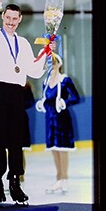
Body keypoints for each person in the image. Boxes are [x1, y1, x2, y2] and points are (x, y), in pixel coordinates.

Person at [0, 0, 48, 205]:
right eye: (7, 17)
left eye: (14, 19)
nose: (10, 21)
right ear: (3, 17)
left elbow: (35, 70)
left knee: (16, 138)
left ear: (19, 20)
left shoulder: (24, 43)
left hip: (16, 92)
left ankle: (15, 182)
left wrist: (46, 53)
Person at [36, 52, 80, 194]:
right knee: (54, 149)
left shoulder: (65, 80)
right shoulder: (45, 82)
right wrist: (42, 104)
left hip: (62, 120)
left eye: (53, 63)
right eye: (49, 63)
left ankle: (64, 179)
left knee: (62, 149)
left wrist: (64, 102)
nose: (51, 66)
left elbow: (76, 98)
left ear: (59, 64)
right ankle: (58, 179)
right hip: (50, 120)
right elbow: (46, 98)